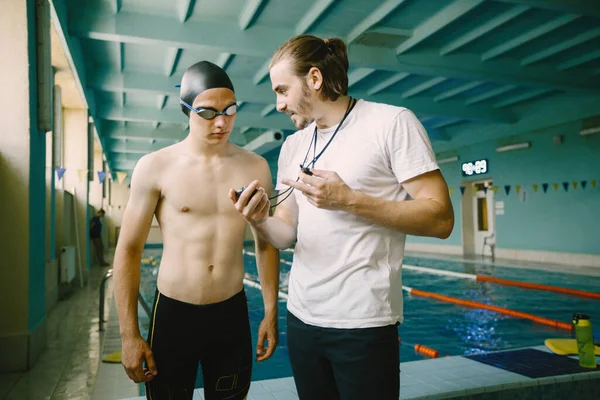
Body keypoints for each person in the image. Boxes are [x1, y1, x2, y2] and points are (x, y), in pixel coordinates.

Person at [231, 35, 454, 400]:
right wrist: (258, 220)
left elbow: (441, 218)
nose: (278, 104)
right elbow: (286, 235)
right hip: (302, 319)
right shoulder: (294, 145)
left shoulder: (391, 123)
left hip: (363, 324)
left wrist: (350, 201)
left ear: (314, 79)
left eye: (283, 90)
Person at [113, 61, 281, 400]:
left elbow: (266, 243)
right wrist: (129, 335)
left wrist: (271, 312)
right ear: (186, 109)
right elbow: (129, 249)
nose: (221, 122)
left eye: (230, 110)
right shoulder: (156, 166)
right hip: (175, 314)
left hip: (230, 313)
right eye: (207, 112)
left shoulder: (255, 167)